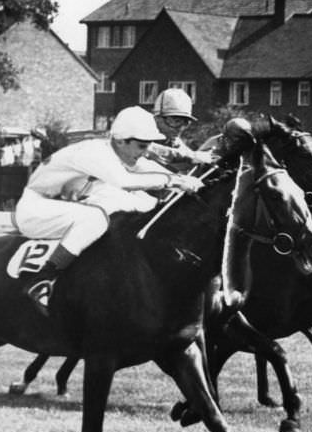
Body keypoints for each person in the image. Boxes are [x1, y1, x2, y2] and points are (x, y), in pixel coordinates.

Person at [13, 106, 203, 310]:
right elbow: (124, 180)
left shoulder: (118, 150)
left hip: (60, 206)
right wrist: (172, 181)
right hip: (36, 208)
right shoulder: (95, 153)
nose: (146, 152)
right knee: (96, 218)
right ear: (121, 140)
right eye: (141, 146)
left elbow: (149, 169)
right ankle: (42, 279)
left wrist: (183, 181)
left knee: (144, 204)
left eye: (148, 146)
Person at [151, 88, 218, 171]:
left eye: (185, 123)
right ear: (157, 117)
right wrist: (191, 157)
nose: (179, 129)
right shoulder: (140, 130)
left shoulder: (172, 140)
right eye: (175, 121)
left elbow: (184, 162)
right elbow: (148, 150)